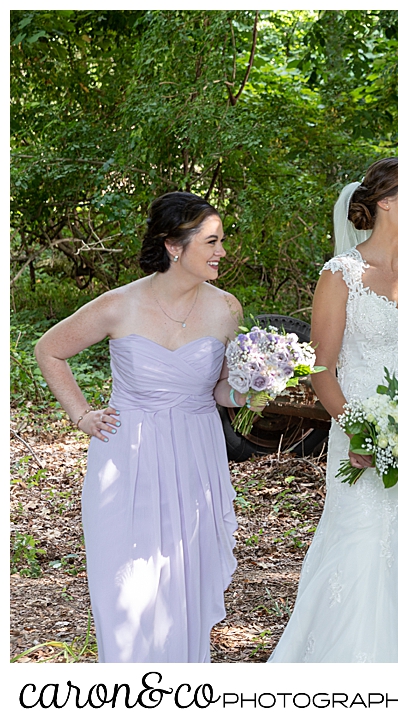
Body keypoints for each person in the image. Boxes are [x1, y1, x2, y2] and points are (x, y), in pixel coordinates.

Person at [268, 158, 398, 663]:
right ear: (385, 202)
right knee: (365, 550)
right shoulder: (340, 275)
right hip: (363, 437)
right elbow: (321, 369)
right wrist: (359, 432)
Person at [34, 191, 256, 663]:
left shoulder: (227, 309)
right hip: (127, 455)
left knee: (184, 580)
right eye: (211, 242)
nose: (222, 252)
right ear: (175, 247)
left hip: (196, 454)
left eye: (221, 241)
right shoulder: (119, 305)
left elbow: (221, 392)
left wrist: (252, 390)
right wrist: (81, 414)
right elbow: (49, 350)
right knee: (126, 585)